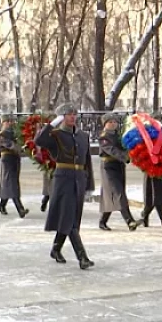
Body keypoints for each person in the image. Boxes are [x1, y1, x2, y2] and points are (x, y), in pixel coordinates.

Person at [35, 104, 95, 269]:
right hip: (63, 179)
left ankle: (56, 248)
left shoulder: (83, 136)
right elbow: (39, 141)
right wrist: (53, 124)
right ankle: (82, 257)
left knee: (72, 218)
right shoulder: (56, 135)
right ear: (61, 117)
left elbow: (87, 160)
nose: (72, 117)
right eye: (68, 114)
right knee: (69, 218)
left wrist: (89, 184)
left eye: (74, 114)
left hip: (79, 179)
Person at [98, 113, 142, 231]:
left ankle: (103, 221)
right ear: (105, 124)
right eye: (110, 122)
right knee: (119, 194)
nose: (113, 124)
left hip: (119, 167)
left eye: (115, 122)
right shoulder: (103, 137)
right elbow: (112, 150)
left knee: (114, 194)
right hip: (108, 168)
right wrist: (125, 156)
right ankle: (130, 222)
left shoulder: (119, 136)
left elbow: (125, 147)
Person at [0, 114, 29, 217]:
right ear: (3, 123)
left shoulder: (16, 133)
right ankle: (20, 209)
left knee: (10, 183)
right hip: (7, 159)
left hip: (15, 159)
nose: (10, 123)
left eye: (11, 121)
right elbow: (8, 144)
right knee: (11, 183)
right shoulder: (2, 134)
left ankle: (2, 204)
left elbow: (20, 142)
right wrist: (19, 147)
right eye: (8, 121)